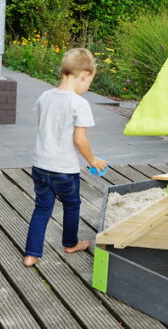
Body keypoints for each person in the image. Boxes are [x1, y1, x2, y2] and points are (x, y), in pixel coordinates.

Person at [23, 48, 107, 267]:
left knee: (42, 208)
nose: (87, 88)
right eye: (90, 82)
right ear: (84, 75)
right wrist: (93, 160)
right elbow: (80, 140)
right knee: (72, 205)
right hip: (64, 171)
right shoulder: (79, 104)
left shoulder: (44, 97)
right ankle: (70, 243)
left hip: (40, 166)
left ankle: (31, 254)